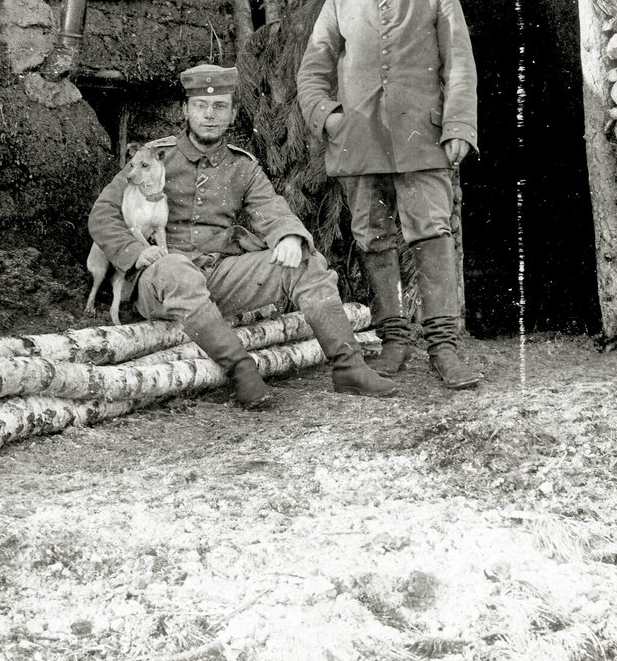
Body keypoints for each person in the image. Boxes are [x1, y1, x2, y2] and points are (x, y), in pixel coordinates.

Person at [87, 63, 395, 409]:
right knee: (177, 269)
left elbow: (272, 208)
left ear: (233, 114)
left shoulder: (242, 166)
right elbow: (103, 213)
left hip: (218, 275)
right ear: (184, 110)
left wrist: (288, 237)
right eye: (201, 107)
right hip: (158, 282)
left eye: (219, 107)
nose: (209, 115)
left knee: (306, 262)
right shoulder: (156, 157)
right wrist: (134, 252)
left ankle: (349, 366)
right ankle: (243, 372)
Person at [297, 0, 482, 390]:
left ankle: (444, 347)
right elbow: (311, 72)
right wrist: (331, 119)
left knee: (431, 235)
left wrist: (459, 126)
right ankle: (394, 340)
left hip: (423, 140)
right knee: (373, 239)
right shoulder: (340, 1)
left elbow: (460, 65)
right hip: (359, 145)